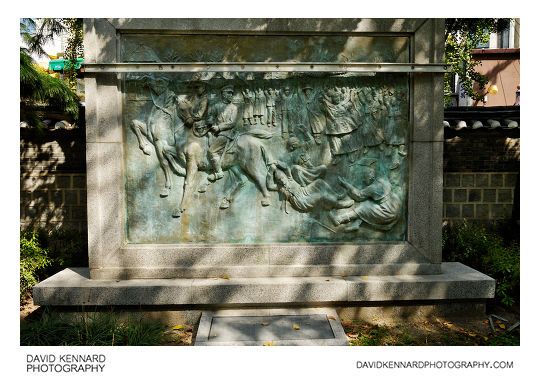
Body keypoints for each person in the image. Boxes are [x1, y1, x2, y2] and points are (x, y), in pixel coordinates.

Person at [329, 161, 402, 232]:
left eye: (365, 177)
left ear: (371, 176)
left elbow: (359, 195)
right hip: (396, 205)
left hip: (388, 212)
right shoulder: (382, 179)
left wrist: (346, 185)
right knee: (368, 204)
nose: (364, 180)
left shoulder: (372, 188)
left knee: (363, 208)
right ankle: (356, 224)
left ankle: (339, 219)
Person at [266, 161, 353, 214]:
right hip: (301, 200)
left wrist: (276, 163)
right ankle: (338, 205)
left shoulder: (290, 178)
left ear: (285, 176)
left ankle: (337, 196)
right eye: (278, 180)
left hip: (304, 190)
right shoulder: (280, 187)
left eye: (282, 178)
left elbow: (286, 167)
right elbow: (269, 186)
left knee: (319, 182)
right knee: (320, 196)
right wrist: (270, 171)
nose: (281, 180)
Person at [206, 85, 238, 182]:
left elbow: (232, 122)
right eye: (228, 93)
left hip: (226, 133)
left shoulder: (234, 108)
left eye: (231, 93)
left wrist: (219, 127)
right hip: (214, 131)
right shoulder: (216, 106)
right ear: (223, 94)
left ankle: (218, 172)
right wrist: (210, 121)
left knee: (212, 151)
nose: (230, 95)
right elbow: (211, 116)